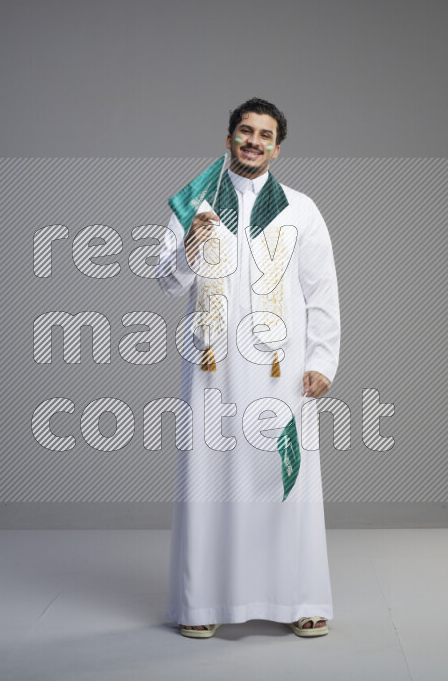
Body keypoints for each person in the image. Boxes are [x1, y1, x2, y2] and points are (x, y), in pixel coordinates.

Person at [156, 97, 340, 638]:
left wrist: (323, 359)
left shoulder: (300, 209)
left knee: (285, 480)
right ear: (230, 138)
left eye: (265, 135)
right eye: (245, 132)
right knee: (210, 482)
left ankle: (300, 598)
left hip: (282, 373)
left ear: (277, 147)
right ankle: (204, 605)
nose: (254, 141)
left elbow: (321, 290)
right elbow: (167, 281)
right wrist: (190, 250)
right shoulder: (194, 204)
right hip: (213, 370)